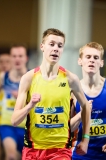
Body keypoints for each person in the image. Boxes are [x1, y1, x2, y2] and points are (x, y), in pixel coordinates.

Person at [11, 28, 91, 160]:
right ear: (42, 46)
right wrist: (30, 105)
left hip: (60, 150)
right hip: (33, 149)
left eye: (60, 46)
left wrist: (85, 139)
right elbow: (14, 120)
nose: (56, 49)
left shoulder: (70, 79)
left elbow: (86, 106)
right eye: (52, 44)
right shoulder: (28, 78)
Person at [0, 45, 28, 160]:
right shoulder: (4, 77)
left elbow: (40, 101)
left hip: (26, 126)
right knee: (11, 156)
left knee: (23, 157)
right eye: (14, 56)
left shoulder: (32, 77)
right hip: (7, 124)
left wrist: (22, 97)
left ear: (26, 58)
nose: (17, 59)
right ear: (11, 59)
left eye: (20, 56)